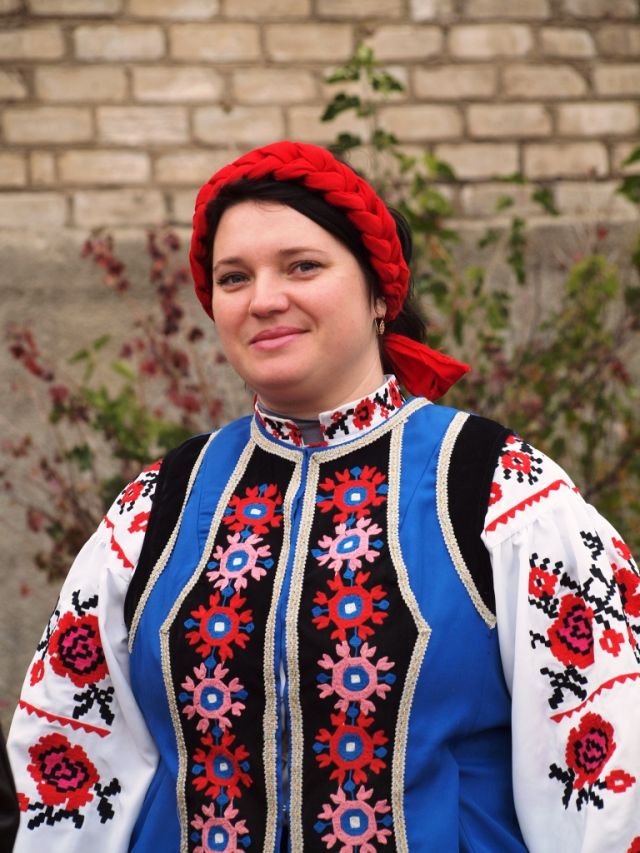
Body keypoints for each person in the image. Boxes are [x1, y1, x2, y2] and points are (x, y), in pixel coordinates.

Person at [7, 141, 640, 852]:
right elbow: (70, 754)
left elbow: (606, 766)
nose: (264, 299)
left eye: (302, 266)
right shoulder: (159, 506)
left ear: (379, 294)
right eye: (234, 277)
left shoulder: (497, 488)